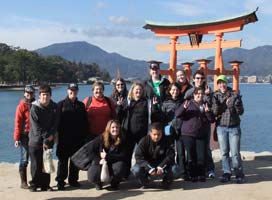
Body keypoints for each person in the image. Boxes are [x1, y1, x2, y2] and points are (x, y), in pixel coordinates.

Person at [176, 87, 214, 182]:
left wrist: (208, 112)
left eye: (201, 93)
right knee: (191, 155)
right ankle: (193, 175)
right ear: (194, 94)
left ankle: (200, 174)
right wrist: (183, 108)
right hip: (188, 133)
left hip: (201, 133)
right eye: (197, 93)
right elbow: (177, 114)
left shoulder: (205, 104)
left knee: (201, 156)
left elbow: (211, 119)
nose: (200, 95)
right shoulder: (188, 103)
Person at [212, 75, 245, 184]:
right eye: (219, 83)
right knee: (224, 153)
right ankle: (227, 173)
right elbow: (215, 112)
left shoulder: (234, 95)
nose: (222, 85)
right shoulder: (215, 95)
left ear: (227, 83)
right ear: (218, 84)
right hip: (221, 127)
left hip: (234, 127)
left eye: (223, 82)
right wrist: (218, 104)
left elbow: (240, 112)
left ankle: (239, 174)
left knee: (235, 153)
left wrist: (238, 103)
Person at [55, 83, 88, 190]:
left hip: (77, 139)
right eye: (71, 90)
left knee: (75, 161)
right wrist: (56, 137)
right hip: (63, 139)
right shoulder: (60, 104)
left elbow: (85, 122)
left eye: (75, 90)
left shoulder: (81, 105)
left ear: (77, 91)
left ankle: (73, 180)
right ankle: (60, 181)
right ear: (67, 91)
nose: (73, 92)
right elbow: (56, 123)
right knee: (62, 162)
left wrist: (84, 137)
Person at [183, 70, 216, 179]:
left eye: (201, 78)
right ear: (193, 79)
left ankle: (210, 169)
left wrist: (209, 95)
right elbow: (184, 105)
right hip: (192, 125)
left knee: (206, 148)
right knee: (192, 150)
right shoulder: (189, 91)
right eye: (197, 78)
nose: (199, 80)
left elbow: (212, 106)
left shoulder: (208, 90)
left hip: (205, 124)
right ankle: (193, 171)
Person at [132, 122, 179, 189]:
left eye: (159, 134)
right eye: (154, 134)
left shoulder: (167, 140)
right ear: (150, 133)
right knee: (135, 170)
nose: (156, 137)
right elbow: (138, 156)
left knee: (175, 169)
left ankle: (165, 183)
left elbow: (171, 155)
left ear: (162, 133)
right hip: (148, 164)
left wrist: (162, 166)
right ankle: (146, 183)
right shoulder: (144, 141)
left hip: (161, 164)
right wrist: (148, 167)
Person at [117, 82, 150, 179]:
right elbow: (119, 117)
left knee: (143, 154)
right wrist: (119, 107)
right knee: (127, 154)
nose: (138, 91)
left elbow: (151, 116)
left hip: (142, 133)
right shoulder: (127, 101)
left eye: (140, 90)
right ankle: (125, 174)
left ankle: (143, 173)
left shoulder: (146, 102)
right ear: (132, 91)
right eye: (136, 90)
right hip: (128, 133)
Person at [28, 85, 58, 192]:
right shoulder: (34, 107)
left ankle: (46, 185)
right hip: (35, 141)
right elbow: (36, 127)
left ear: (50, 96)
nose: (45, 97)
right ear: (39, 95)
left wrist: (51, 135)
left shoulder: (54, 106)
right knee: (36, 164)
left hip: (49, 140)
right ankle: (34, 184)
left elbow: (56, 123)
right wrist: (46, 137)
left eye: (47, 95)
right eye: (43, 95)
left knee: (47, 162)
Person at [87, 120, 127, 190]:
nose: (115, 129)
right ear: (109, 128)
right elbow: (90, 151)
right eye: (113, 127)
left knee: (120, 167)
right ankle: (98, 183)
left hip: (114, 162)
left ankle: (114, 183)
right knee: (92, 175)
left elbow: (123, 155)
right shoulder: (101, 138)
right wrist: (99, 160)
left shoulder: (122, 139)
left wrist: (107, 157)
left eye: (117, 127)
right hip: (100, 162)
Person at [13, 85, 35, 189]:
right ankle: (23, 182)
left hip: (35, 135)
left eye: (31, 93)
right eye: (27, 93)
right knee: (24, 159)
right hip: (24, 136)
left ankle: (35, 180)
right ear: (24, 93)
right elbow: (18, 123)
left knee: (35, 158)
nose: (29, 95)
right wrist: (16, 138)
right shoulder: (21, 106)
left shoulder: (36, 104)